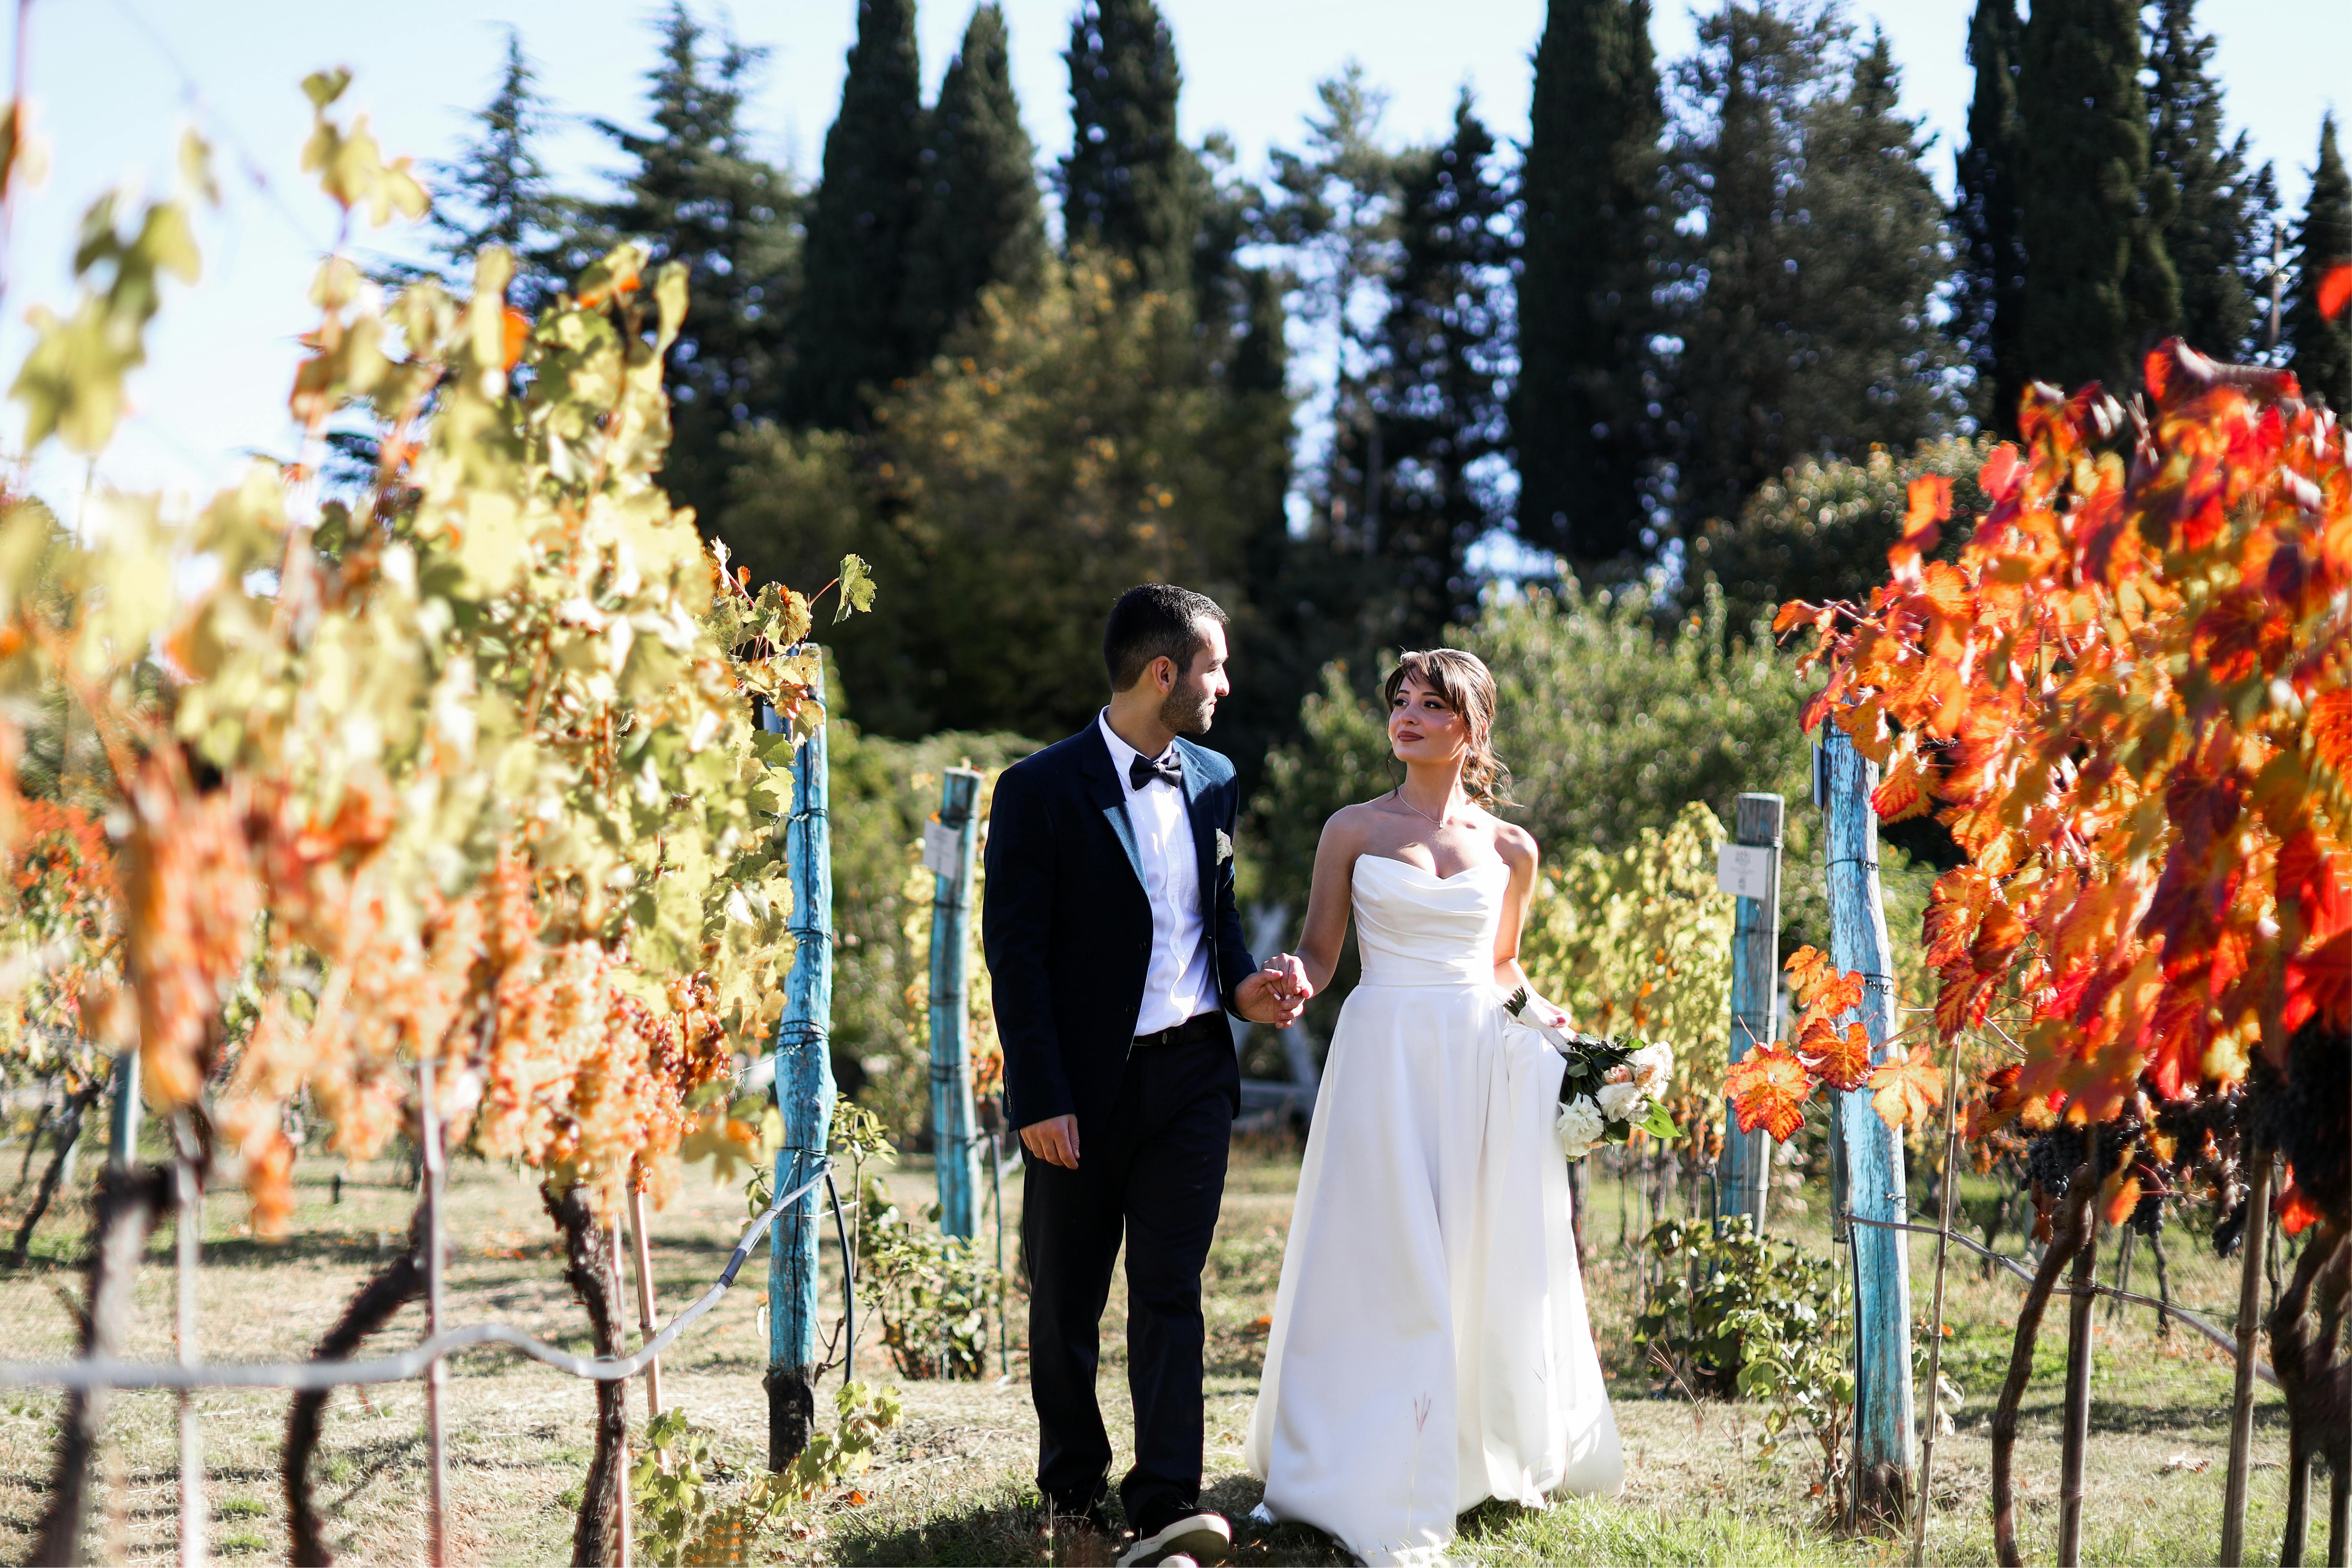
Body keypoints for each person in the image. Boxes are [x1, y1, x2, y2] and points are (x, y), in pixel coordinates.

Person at [1243, 648, 1623, 1566]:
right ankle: (1347, 1448)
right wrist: (1294, 980)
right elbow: (1323, 953)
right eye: (1400, 700)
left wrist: (1559, 1035)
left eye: (1432, 703)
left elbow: (1500, 968)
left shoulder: (1510, 849)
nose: (1407, 714)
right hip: (1382, 1054)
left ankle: (1456, 1446)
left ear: (1471, 726)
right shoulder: (1350, 830)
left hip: (1476, 1062)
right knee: (1379, 1247)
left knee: (1470, 1247)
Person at [983, 584, 1308, 1568]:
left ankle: (1167, 1499)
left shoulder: (1215, 776)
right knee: (1068, 1296)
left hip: (1194, 1079)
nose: (1225, 683)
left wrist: (1253, 988)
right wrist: (1040, 1094)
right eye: (1212, 665)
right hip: (1080, 1091)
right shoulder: (1037, 789)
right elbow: (1017, 955)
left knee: (1170, 1286)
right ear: (1162, 672)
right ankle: (1072, 1485)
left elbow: (1216, 920)